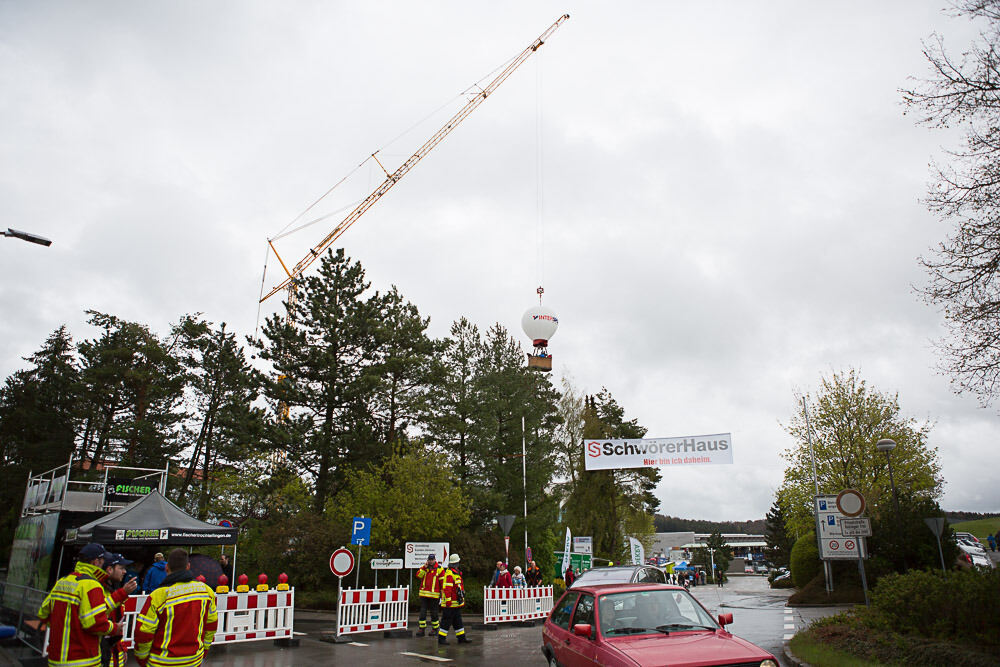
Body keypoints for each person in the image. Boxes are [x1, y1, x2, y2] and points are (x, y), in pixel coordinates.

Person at [38, 543, 120, 667]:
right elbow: (95, 624)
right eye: (103, 560)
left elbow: (43, 614)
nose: (104, 564)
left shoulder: (62, 581)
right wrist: (115, 628)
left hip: (55, 659)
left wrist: (65, 628)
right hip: (83, 660)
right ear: (96, 562)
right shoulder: (92, 585)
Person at [134, 548, 218, 667]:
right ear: (188, 566)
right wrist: (204, 650)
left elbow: (144, 632)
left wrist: (142, 658)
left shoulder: (159, 595)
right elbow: (211, 625)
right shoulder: (206, 591)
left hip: (161, 661)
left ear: (166, 567)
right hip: (193, 660)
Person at [100, 553, 137, 667]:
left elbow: (118, 622)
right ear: (109, 569)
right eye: (121, 568)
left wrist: (123, 647)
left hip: (115, 651)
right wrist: (122, 594)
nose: (125, 572)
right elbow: (97, 617)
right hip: (102, 651)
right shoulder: (98, 590)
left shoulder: (115, 590)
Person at [438, 553, 470, 645]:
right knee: (446, 621)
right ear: (456, 563)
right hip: (450, 603)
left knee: (457, 621)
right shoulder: (449, 574)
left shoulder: (455, 573)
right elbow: (447, 589)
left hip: (455, 602)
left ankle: (461, 638)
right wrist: (448, 601)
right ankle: (441, 639)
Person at [415, 554, 443, 636]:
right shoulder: (424, 568)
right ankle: (421, 629)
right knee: (422, 612)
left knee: (434, 613)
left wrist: (442, 595)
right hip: (424, 594)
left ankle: (435, 629)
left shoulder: (439, 569)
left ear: (435, 560)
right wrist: (424, 567)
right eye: (429, 560)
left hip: (434, 595)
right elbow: (418, 575)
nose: (431, 561)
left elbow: (442, 582)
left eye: (432, 559)